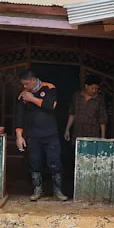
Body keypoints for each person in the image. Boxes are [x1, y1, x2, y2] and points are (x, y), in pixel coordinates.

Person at [15, 69, 67, 202]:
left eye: (26, 84)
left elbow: (51, 105)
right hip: (33, 135)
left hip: (51, 134)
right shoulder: (23, 95)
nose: (25, 87)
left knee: (55, 162)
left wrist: (32, 99)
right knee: (34, 163)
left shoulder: (49, 88)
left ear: (33, 80)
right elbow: (19, 117)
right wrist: (19, 136)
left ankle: (58, 191)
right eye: (23, 85)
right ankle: (37, 189)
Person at [65, 75, 107, 142]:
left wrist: (103, 138)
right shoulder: (77, 96)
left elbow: (102, 120)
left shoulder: (99, 99)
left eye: (96, 89)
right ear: (86, 86)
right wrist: (67, 129)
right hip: (78, 133)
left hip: (92, 135)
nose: (94, 90)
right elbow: (72, 114)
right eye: (92, 88)